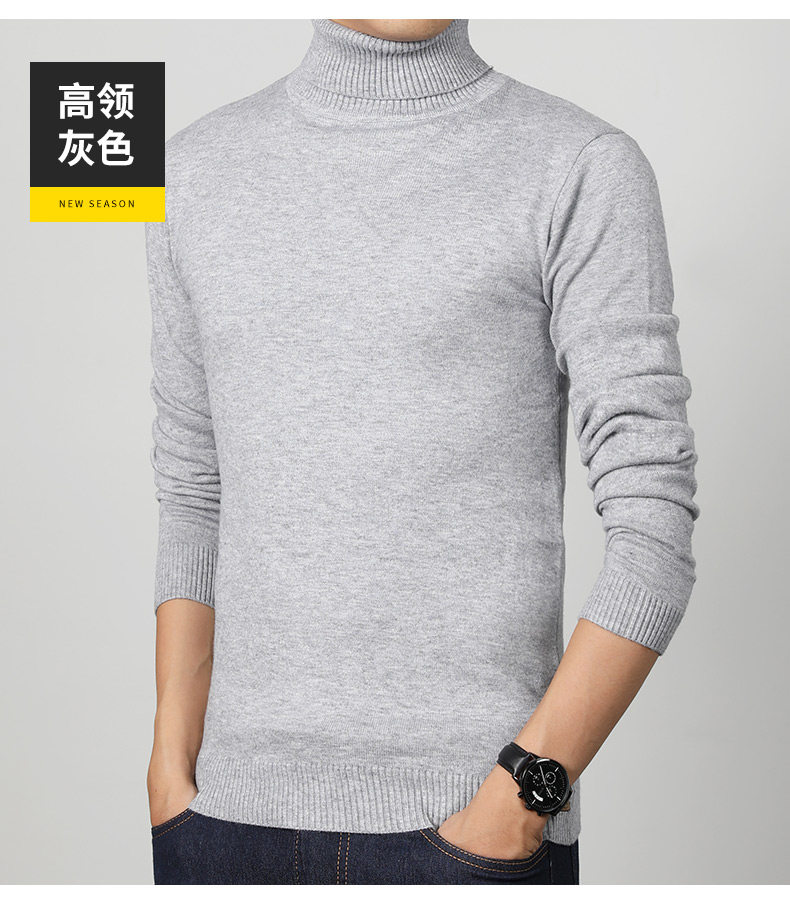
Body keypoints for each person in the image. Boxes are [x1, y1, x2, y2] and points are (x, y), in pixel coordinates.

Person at [145, 18, 699, 885]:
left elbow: (654, 524)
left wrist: (523, 798)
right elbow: (193, 493)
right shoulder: (189, 171)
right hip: (221, 823)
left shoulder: (579, 164)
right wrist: (170, 769)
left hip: (472, 830)